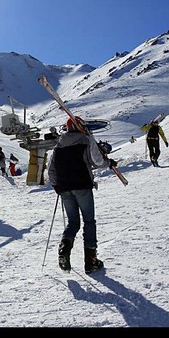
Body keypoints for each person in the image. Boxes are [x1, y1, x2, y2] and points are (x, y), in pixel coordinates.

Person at [47, 117, 117, 274]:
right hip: (82, 186)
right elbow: (98, 161)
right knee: (89, 222)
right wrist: (110, 163)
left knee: (73, 222)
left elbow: (51, 170)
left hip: (64, 188)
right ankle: (91, 261)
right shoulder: (86, 139)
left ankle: (64, 249)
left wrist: (57, 186)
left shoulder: (58, 146)